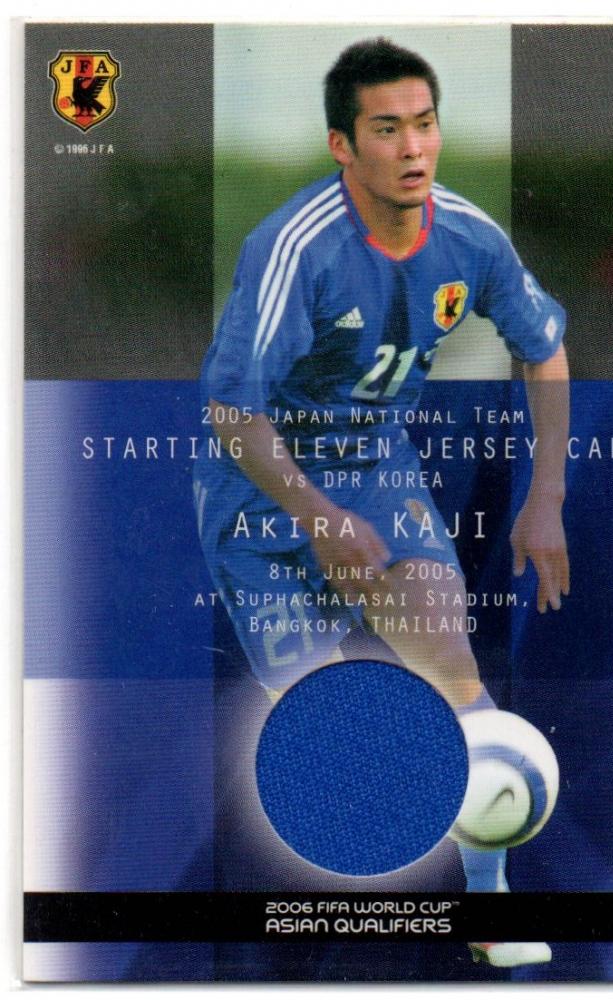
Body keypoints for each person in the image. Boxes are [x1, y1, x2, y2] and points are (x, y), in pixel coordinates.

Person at [195, 38, 569, 969]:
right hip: (259, 495)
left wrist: (546, 497)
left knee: (450, 663)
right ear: (342, 145)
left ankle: (490, 905)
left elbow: (544, 347)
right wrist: (318, 518)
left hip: (375, 470)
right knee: (338, 729)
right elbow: (232, 411)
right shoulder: (294, 247)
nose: (413, 147)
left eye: (425, 124)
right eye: (387, 128)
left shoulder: (470, 238)